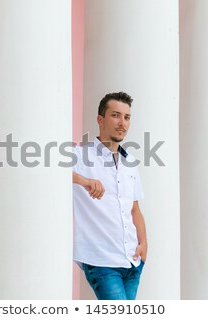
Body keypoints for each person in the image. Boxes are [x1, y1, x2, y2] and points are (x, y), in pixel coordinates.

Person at [72, 92, 147, 300]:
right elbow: (51, 171)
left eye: (127, 117)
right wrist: (84, 181)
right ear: (100, 119)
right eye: (115, 115)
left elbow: (134, 209)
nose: (122, 122)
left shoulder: (130, 161)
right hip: (102, 261)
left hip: (132, 262)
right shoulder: (80, 155)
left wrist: (143, 244)